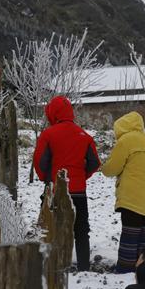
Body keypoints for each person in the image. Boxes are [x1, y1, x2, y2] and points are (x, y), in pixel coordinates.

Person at [33, 96, 100, 272]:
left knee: (53, 229)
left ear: (52, 113)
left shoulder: (48, 134)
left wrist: (47, 180)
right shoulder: (84, 136)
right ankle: (84, 267)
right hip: (79, 191)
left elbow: (40, 162)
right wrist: (80, 177)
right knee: (81, 230)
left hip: (56, 191)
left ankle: (54, 265)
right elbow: (95, 163)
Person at [100, 111, 145, 274]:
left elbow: (112, 168)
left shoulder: (126, 141)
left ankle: (125, 271)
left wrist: (102, 166)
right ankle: (142, 270)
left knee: (130, 236)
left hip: (133, 199)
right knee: (144, 240)